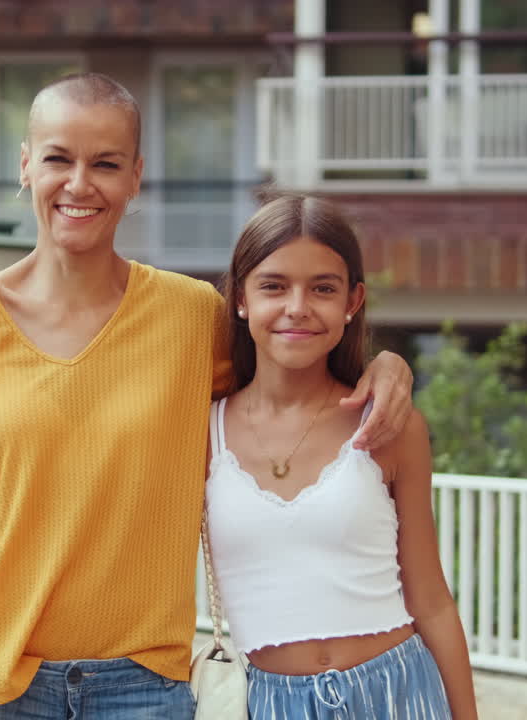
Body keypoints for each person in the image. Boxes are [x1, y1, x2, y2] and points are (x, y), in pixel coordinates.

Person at [0, 72, 414, 720]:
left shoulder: (190, 316)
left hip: (142, 690)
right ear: (26, 165)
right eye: (58, 158)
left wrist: (386, 365)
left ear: (136, 176)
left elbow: (293, 376)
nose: (79, 183)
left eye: (106, 163)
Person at [204, 194, 477, 719]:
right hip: (266, 703)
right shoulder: (202, 431)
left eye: (323, 288)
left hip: (399, 691)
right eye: (274, 286)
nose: (298, 307)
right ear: (240, 298)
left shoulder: (390, 427)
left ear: (352, 302)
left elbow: (432, 600)